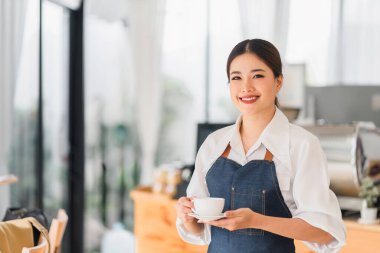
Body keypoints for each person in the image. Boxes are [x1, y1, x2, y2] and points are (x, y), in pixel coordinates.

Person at [175, 39, 346, 253]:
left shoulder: (302, 145)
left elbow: (326, 232)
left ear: (278, 81)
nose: (246, 87)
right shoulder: (214, 143)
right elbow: (198, 229)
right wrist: (186, 214)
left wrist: (257, 220)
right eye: (236, 77)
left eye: (257, 75)